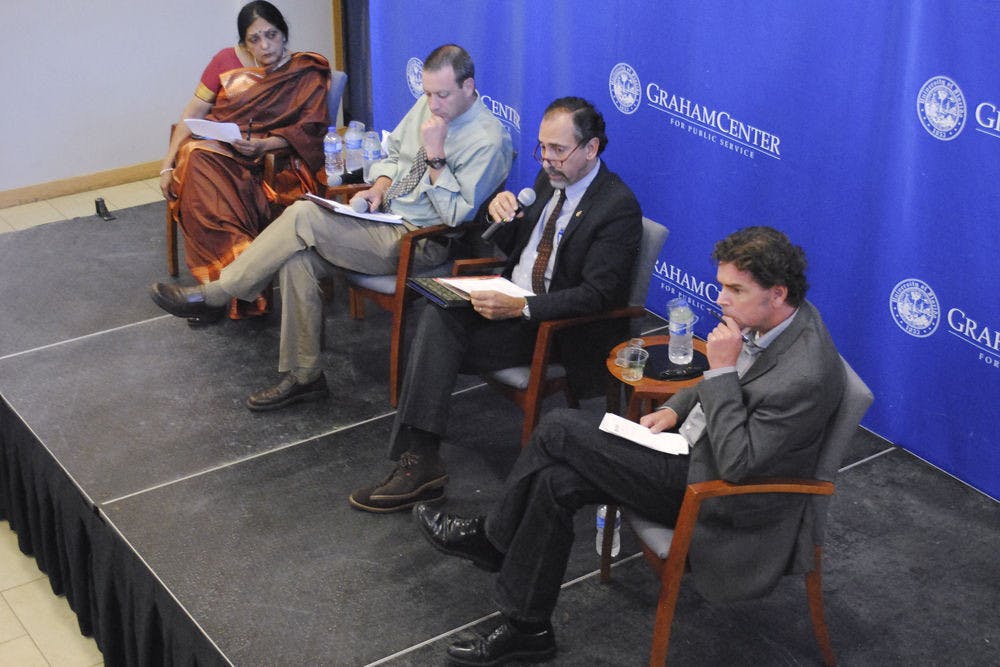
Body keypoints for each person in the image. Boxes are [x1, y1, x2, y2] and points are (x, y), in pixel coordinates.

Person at [413, 226, 846, 665]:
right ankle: (529, 629)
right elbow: (735, 374)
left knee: (559, 428)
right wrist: (676, 408)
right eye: (720, 286)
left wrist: (719, 372)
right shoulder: (773, 318)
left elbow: (737, 463)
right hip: (687, 449)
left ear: (777, 293)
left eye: (735, 289)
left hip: (713, 492)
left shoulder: (805, 374)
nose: (721, 299)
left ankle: (491, 538)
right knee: (555, 482)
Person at [150, 44, 513, 410]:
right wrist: (379, 187)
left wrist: (436, 157)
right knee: (297, 259)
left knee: (303, 215)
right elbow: (393, 156)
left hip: (420, 240)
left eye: (443, 95)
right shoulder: (428, 107)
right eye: (428, 93)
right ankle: (305, 376)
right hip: (383, 216)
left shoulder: (488, 141)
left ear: (469, 87)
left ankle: (218, 293)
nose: (433, 105)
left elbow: (456, 216)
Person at [349, 97, 643, 514]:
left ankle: (419, 462)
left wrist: (521, 308)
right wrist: (500, 215)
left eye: (558, 149)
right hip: (507, 299)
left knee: (436, 329)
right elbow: (517, 250)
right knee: (433, 308)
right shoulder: (547, 182)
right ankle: (420, 458)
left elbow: (598, 296)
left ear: (591, 149)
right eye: (542, 147)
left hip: (552, 327)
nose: (546, 159)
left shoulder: (616, 207)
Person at [161, 1, 331, 324]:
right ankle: (218, 286)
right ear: (243, 42)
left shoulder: (305, 70)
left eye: (272, 35)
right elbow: (192, 115)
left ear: (284, 34)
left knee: (204, 172)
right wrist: (166, 165)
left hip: (276, 164)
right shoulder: (224, 62)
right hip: (225, 154)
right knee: (193, 161)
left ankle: (224, 293)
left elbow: (309, 130)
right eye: (255, 39)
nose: (265, 45)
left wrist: (265, 144)